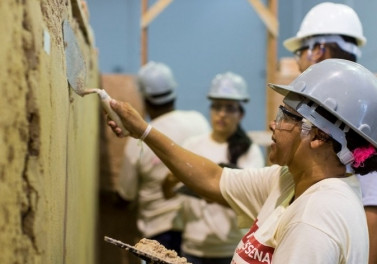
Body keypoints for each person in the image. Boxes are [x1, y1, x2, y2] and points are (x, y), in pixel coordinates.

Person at [108, 59, 377, 263]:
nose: (273, 124)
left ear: (318, 135)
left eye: (285, 116)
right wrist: (143, 131)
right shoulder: (287, 181)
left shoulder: (315, 219)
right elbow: (214, 178)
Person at [283, 3, 377, 263]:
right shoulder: (355, 102)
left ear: (318, 49)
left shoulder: (357, 109)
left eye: (300, 52)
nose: (299, 61)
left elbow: (372, 213)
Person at [163, 72, 265, 264]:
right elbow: (168, 193)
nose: (222, 114)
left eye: (230, 108)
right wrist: (170, 180)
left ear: (240, 114)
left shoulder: (249, 151)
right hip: (193, 246)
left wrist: (211, 191)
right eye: (217, 107)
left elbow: (250, 201)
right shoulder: (192, 145)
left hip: (231, 250)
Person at [116, 61, 210, 254]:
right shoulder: (198, 121)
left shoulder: (137, 140)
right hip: (197, 229)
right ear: (173, 91)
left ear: (144, 97)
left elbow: (126, 195)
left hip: (159, 234)